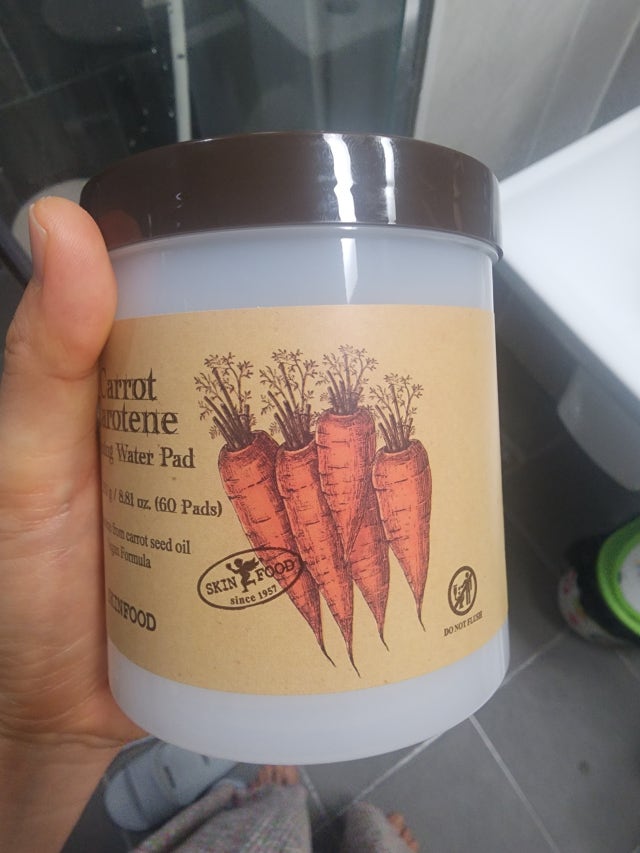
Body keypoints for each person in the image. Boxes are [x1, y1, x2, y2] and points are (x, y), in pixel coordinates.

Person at [0, 197, 418, 852]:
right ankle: (307, 810)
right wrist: (30, 735)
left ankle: (274, 799)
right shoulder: (263, 465)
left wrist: (32, 741)